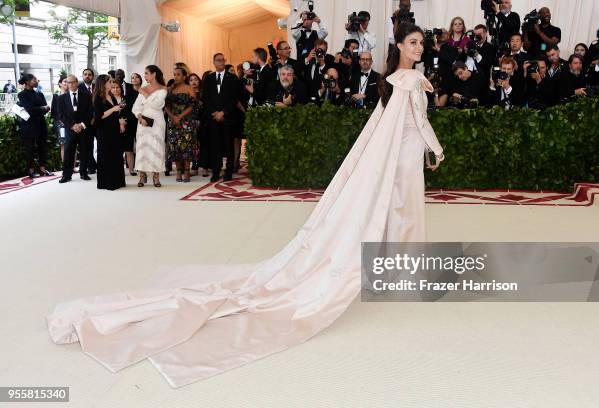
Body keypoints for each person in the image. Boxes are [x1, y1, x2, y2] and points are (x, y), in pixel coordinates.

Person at [46, 22, 444, 389]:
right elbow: (417, 124)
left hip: (403, 155)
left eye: (422, 42)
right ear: (400, 47)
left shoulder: (397, 79)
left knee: (397, 208)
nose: (419, 47)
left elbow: (389, 124)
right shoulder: (407, 79)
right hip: (405, 156)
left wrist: (421, 146)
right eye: (413, 42)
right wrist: (435, 148)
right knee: (402, 208)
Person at [201, 53, 240, 182]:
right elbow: (205, 98)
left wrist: (223, 112)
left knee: (229, 145)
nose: (221, 62)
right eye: (218, 60)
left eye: (223, 60)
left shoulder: (232, 78)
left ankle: (228, 172)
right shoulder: (209, 78)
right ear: (213, 62)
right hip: (213, 118)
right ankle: (216, 172)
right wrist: (215, 113)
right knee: (215, 146)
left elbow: (234, 98)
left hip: (228, 117)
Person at [132, 65, 167, 187]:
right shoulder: (143, 88)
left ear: (154, 74)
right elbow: (135, 107)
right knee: (142, 147)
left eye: (146, 73)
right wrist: (140, 118)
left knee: (156, 146)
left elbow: (157, 105)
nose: (145, 76)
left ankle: (156, 177)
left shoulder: (163, 89)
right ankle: (142, 177)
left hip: (157, 122)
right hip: (142, 122)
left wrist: (145, 94)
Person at [57, 75, 93, 183]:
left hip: (83, 128)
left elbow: (90, 112)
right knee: (68, 152)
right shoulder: (61, 98)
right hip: (70, 129)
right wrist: (72, 126)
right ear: (66, 84)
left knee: (84, 151)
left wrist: (81, 125)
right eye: (68, 82)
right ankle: (66, 175)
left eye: (73, 82)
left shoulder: (86, 96)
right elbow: (61, 115)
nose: (71, 84)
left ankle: (84, 173)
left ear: (77, 82)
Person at [165, 67, 199, 183]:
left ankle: (187, 171)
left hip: (186, 121)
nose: (175, 76)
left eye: (178, 74)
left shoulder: (189, 88)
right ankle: (179, 171)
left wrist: (180, 116)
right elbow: (166, 105)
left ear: (184, 76)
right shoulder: (170, 89)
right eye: (174, 74)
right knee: (175, 146)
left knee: (187, 146)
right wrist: (172, 116)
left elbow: (193, 105)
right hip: (173, 121)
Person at [94, 76, 126, 191]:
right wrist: (113, 109)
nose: (111, 83)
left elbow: (114, 113)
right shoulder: (98, 97)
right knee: (106, 156)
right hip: (104, 130)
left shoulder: (111, 95)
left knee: (116, 155)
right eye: (109, 81)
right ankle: (107, 183)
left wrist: (120, 121)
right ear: (103, 83)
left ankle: (118, 181)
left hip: (114, 128)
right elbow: (99, 116)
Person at [17, 74, 52, 179]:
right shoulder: (22, 95)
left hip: (41, 124)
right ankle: (30, 170)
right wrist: (41, 108)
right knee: (30, 149)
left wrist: (40, 109)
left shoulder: (40, 94)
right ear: (27, 82)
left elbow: (47, 108)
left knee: (42, 147)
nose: (37, 81)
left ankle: (42, 168)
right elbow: (30, 109)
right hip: (28, 126)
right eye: (34, 79)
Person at [115, 69, 138, 176]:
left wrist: (126, 121)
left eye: (118, 88)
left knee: (129, 147)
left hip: (130, 122)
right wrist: (119, 122)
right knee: (117, 149)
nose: (116, 89)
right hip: (114, 124)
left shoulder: (128, 92)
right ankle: (118, 169)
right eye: (114, 87)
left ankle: (131, 169)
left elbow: (133, 107)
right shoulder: (110, 95)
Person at [78, 68, 97, 175]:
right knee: (88, 145)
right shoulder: (79, 88)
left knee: (101, 144)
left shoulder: (97, 87)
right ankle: (91, 166)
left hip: (98, 120)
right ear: (82, 76)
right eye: (85, 74)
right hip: (86, 121)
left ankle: (102, 165)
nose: (87, 76)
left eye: (89, 74)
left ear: (92, 76)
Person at [50, 76, 68, 162]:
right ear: (60, 83)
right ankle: (66, 166)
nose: (67, 83)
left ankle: (72, 166)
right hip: (60, 124)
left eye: (68, 81)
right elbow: (53, 111)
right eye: (65, 81)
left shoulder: (73, 95)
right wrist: (61, 121)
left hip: (72, 124)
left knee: (73, 145)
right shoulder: (56, 96)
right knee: (63, 145)